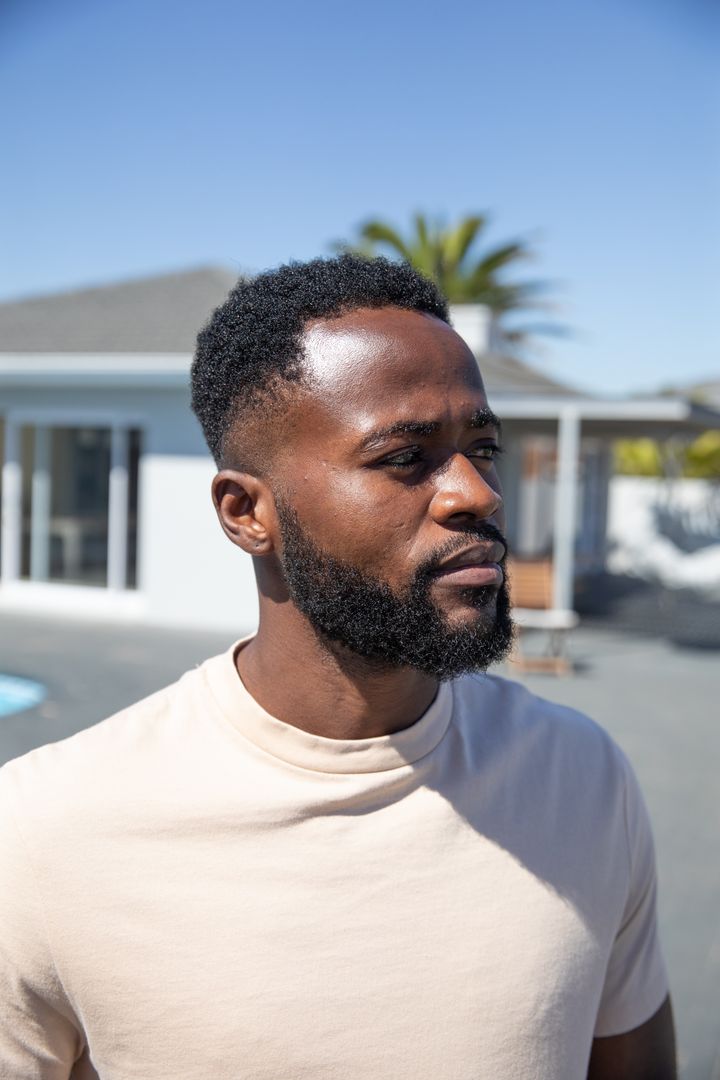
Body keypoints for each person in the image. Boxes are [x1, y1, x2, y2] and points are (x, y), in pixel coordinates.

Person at [0, 255, 675, 1079]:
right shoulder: (45, 830)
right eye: (404, 457)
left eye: (483, 446)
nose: (477, 493)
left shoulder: (582, 778)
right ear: (247, 513)